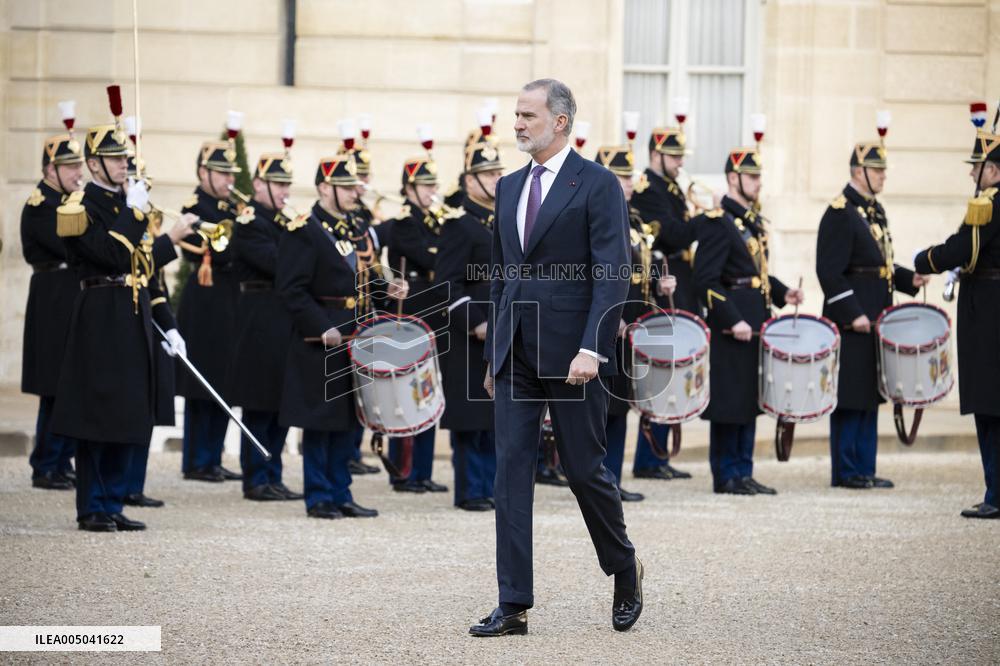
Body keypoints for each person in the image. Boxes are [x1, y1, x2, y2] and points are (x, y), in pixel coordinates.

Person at [470, 79, 643, 637]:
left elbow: (612, 271)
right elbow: (501, 276)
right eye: (515, 115)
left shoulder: (596, 185)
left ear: (560, 122)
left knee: (584, 470)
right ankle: (513, 603)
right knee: (511, 473)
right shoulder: (509, 186)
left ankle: (623, 570)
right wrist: (496, 355)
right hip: (516, 351)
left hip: (575, 354)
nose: (517, 124)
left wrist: (594, 346)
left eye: (527, 115)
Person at [50, 109, 187, 532]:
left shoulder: (131, 206)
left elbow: (145, 269)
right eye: (114, 158)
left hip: (132, 312)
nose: (123, 163)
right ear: (93, 164)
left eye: (124, 156)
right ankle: (91, 505)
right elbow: (107, 255)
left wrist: (168, 322)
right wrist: (133, 213)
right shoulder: (78, 206)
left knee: (128, 411)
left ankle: (112, 500)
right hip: (99, 312)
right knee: (98, 411)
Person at [277, 154, 406, 519]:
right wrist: (320, 327)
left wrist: (388, 288)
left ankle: (341, 491)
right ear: (324, 188)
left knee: (349, 418)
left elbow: (365, 278)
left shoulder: (354, 226)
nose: (355, 192)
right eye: (347, 186)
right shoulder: (304, 229)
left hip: (355, 330)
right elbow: (291, 289)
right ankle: (319, 496)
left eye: (355, 186)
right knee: (321, 420)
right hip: (323, 335)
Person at [692, 147, 804, 496]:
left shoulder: (750, 222)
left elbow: (756, 274)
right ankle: (725, 474)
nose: (758, 182)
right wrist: (732, 319)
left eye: (758, 176)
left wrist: (784, 293)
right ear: (732, 179)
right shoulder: (718, 222)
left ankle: (744, 470)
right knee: (729, 401)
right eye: (752, 176)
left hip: (756, 320)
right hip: (731, 326)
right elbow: (705, 280)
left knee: (749, 398)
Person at [816, 137, 925, 490]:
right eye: (877, 170)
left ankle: (865, 466)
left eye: (883, 170)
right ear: (858, 171)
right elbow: (829, 271)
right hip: (853, 320)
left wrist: (912, 279)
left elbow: (882, 267)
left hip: (878, 315)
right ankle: (847, 470)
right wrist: (853, 313)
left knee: (870, 392)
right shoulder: (839, 212)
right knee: (850, 395)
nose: (883, 176)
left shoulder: (873, 211)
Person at [913, 127, 1000, 519]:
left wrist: (924, 259)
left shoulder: (989, 205)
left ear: (993, 172)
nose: (971, 174)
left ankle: (996, 494)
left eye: (977, 168)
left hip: (988, 313)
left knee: (990, 405)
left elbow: (962, 248)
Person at [594, 143, 679, 502]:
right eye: (623, 177)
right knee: (601, 408)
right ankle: (596, 480)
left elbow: (639, 272)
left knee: (621, 406)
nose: (631, 184)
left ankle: (611, 479)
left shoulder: (636, 219)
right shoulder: (595, 217)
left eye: (630, 178)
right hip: (606, 324)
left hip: (634, 326)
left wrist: (660, 285)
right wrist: (611, 319)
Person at [228, 146, 303, 501]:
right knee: (259, 404)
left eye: (287, 184)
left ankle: (273, 473)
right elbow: (278, 263)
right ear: (259, 184)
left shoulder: (283, 222)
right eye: (277, 183)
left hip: (284, 318)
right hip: (259, 316)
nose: (285, 191)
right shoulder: (249, 223)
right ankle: (256, 477)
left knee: (280, 401)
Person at [435, 140, 502, 511]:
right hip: (469, 333)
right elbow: (446, 285)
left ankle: (493, 486)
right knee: (471, 415)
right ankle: (470, 490)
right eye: (488, 174)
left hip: (504, 328)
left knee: (497, 416)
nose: (496, 180)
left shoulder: (503, 219)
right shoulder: (458, 225)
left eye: (498, 173)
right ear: (469, 180)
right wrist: (475, 323)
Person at [629, 126, 696, 481]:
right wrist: (707, 219)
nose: (680, 162)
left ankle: (659, 455)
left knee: (672, 370)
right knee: (659, 371)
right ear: (656, 155)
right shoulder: (648, 190)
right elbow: (673, 234)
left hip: (679, 279)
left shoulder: (670, 187)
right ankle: (649, 457)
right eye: (674, 155)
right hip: (662, 280)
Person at [20, 123, 85, 490]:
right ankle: (46, 463)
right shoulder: (41, 205)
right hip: (53, 296)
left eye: (79, 165)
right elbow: (67, 247)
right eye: (70, 166)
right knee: (54, 385)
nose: (79, 172)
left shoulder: (67, 202)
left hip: (69, 293)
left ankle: (62, 460)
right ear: (50, 170)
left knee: (70, 384)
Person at [176, 139, 243, 483]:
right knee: (200, 380)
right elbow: (194, 250)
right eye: (222, 173)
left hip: (229, 295)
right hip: (204, 297)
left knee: (224, 378)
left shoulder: (231, 207)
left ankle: (213, 456)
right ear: (204, 172)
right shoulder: (195, 206)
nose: (229, 179)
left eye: (231, 173)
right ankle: (196, 460)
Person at [385, 146, 451, 494]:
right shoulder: (405, 222)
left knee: (428, 392)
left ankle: (422, 472)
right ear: (409, 188)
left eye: (432, 184)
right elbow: (429, 257)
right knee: (409, 395)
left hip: (432, 316)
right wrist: (443, 253)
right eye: (424, 185)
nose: (431, 190)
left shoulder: (435, 219)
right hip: (411, 314)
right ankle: (404, 471)